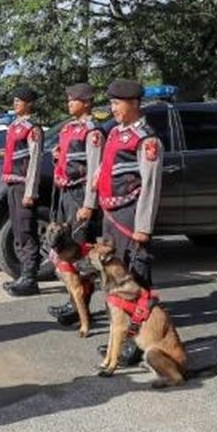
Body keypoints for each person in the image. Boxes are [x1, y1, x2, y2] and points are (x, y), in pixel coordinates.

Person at [79, 79, 161, 290]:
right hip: (110, 212)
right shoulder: (116, 132)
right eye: (112, 104)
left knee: (133, 269)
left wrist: (143, 227)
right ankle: (116, 307)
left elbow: (150, 186)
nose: (112, 109)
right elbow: (107, 163)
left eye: (117, 104)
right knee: (112, 268)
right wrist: (97, 178)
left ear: (134, 103)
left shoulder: (145, 139)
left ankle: (142, 309)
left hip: (129, 212)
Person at [47, 83, 102, 323]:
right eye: (68, 99)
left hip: (80, 194)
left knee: (79, 251)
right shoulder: (70, 128)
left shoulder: (92, 131)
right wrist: (58, 157)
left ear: (86, 102)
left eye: (74, 100)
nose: (69, 103)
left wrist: (89, 204)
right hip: (65, 192)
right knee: (65, 248)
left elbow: (94, 170)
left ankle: (81, 307)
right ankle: (73, 300)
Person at [0, 85, 44, 297]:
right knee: (17, 229)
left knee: (26, 229)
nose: (15, 104)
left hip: (23, 185)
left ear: (29, 103)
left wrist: (30, 192)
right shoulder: (14, 126)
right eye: (15, 100)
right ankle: (23, 276)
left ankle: (30, 278)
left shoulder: (32, 128)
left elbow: (34, 161)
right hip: (12, 184)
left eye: (20, 101)